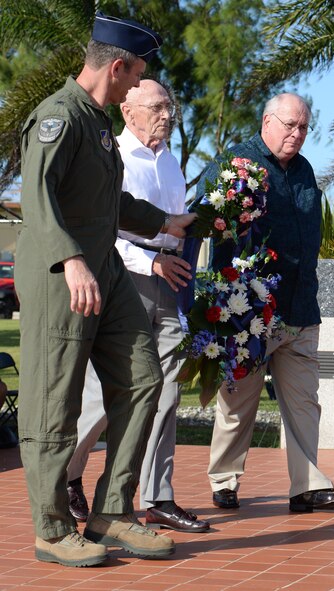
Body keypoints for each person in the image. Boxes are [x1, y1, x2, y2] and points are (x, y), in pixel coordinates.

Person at [15, 12, 196, 568]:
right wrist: (71, 261)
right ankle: (51, 529)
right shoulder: (58, 117)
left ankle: (111, 512)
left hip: (105, 271)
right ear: (117, 67)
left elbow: (108, 201)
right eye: (136, 74)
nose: (136, 85)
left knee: (143, 378)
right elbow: (37, 198)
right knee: (55, 400)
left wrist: (167, 223)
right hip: (61, 275)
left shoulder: (95, 124)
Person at [196, 92, 334, 514]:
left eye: (303, 127)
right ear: (267, 121)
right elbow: (201, 216)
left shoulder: (303, 170)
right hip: (249, 314)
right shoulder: (237, 163)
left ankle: (307, 486)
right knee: (238, 403)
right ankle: (225, 479)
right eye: (290, 125)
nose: (297, 135)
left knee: (304, 402)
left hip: (300, 309)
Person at [66, 79, 210, 534]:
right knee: (104, 395)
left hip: (169, 287)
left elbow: (174, 228)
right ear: (128, 111)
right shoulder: (116, 157)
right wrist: (151, 261)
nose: (167, 114)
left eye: (170, 105)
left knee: (166, 391)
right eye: (158, 106)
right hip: (123, 279)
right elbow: (103, 229)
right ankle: (67, 475)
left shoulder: (171, 164)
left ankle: (157, 495)